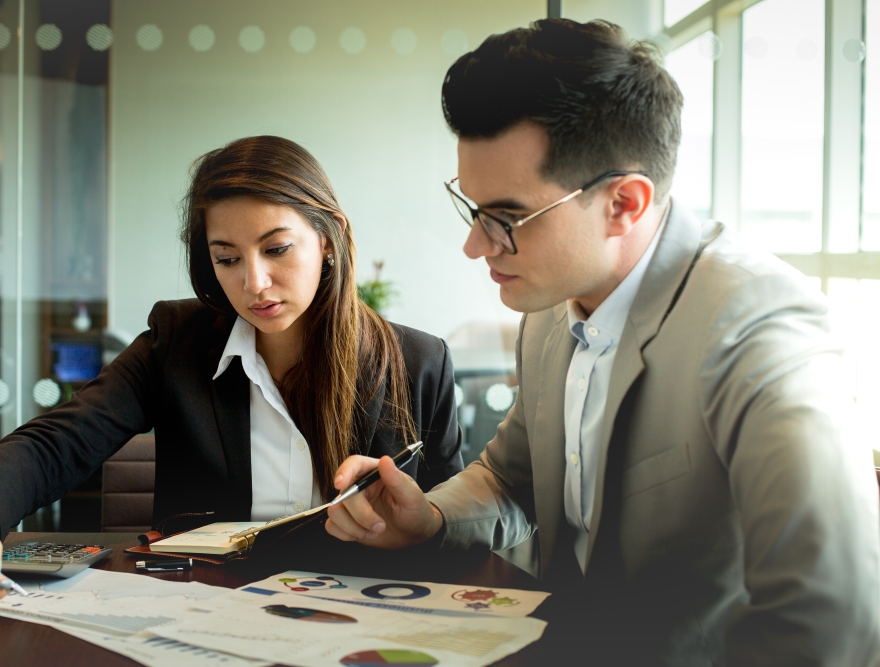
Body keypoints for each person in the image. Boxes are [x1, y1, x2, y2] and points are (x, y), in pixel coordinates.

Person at [325, 19, 880, 666]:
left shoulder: (758, 327)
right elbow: (512, 478)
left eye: (506, 217)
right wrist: (429, 518)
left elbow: (831, 614)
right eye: (473, 210)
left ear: (625, 203)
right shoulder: (552, 307)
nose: (475, 245)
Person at [0, 135, 464, 615]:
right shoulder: (177, 342)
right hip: (203, 619)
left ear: (329, 238)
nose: (254, 282)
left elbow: (457, 528)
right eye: (227, 259)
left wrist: (425, 528)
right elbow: (55, 445)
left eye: (276, 249)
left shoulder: (418, 363)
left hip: (362, 621)